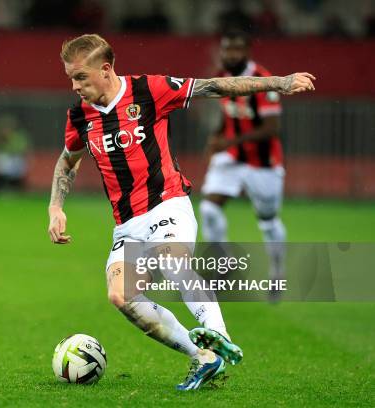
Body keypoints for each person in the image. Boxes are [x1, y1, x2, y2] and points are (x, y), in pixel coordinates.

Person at [47, 34, 315, 390]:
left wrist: (279, 83)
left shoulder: (149, 90)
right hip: (128, 224)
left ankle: (218, 334)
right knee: (120, 296)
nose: (74, 85)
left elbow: (214, 86)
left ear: (106, 69)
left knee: (172, 261)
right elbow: (68, 162)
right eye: (70, 78)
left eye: (80, 77)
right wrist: (55, 206)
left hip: (168, 202)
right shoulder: (79, 116)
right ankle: (205, 356)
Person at [199, 31, 286, 301]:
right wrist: (216, 137)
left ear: (247, 51)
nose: (230, 55)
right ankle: (224, 266)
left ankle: (277, 274)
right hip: (233, 159)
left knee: (268, 221)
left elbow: (272, 128)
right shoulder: (223, 78)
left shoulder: (262, 80)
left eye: (236, 50)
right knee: (209, 208)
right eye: (227, 50)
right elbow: (228, 116)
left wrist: (229, 141)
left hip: (263, 164)